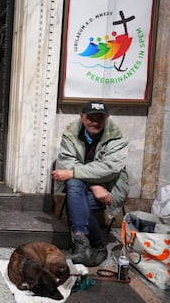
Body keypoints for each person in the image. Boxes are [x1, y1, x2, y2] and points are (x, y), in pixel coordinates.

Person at [52, 101, 129, 267]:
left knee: (78, 195)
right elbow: (66, 162)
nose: (95, 122)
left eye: (100, 118)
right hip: (88, 186)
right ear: (82, 117)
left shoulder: (117, 138)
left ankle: (90, 243)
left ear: (107, 119)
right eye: (90, 118)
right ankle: (89, 243)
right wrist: (94, 184)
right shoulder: (71, 134)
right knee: (74, 185)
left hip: (109, 186)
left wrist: (75, 173)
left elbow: (110, 168)